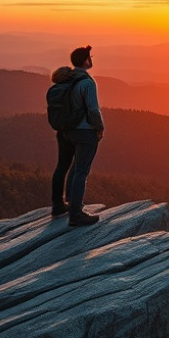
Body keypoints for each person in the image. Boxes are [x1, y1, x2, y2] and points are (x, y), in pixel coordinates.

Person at [50, 45, 105, 227]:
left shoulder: (66, 79)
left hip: (66, 131)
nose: (92, 60)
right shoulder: (87, 83)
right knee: (81, 171)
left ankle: (61, 205)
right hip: (84, 132)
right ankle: (76, 214)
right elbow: (93, 110)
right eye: (90, 57)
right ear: (86, 61)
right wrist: (99, 128)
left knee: (69, 167)